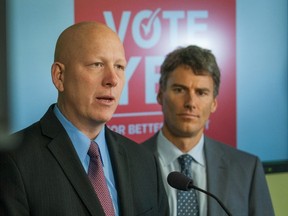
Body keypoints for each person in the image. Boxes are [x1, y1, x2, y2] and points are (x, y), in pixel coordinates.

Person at [0, 21, 169, 216]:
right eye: (97, 64)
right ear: (59, 76)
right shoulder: (13, 162)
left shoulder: (145, 162)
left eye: (120, 67)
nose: (112, 79)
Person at [141, 45, 274, 216]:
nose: (190, 102)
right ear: (160, 95)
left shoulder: (247, 169)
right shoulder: (128, 165)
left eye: (201, 92)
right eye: (179, 90)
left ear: (214, 103)